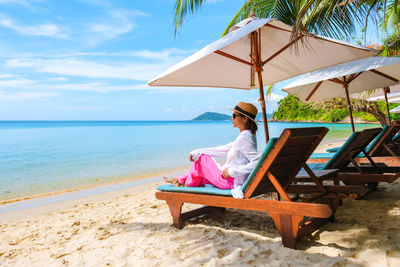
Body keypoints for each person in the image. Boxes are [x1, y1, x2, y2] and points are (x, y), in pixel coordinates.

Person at [163, 102, 260, 197]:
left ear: (244, 119)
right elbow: (223, 149)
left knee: (201, 159)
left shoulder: (244, 138)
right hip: (231, 179)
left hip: (229, 181)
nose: (232, 118)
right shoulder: (247, 136)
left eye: (234, 116)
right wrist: (198, 151)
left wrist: (233, 172)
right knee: (200, 169)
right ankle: (180, 180)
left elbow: (257, 162)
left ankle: (187, 184)